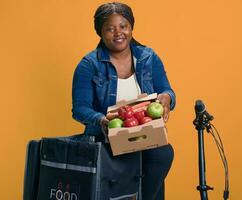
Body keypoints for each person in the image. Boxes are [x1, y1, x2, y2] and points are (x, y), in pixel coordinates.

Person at [72, 2, 176, 200]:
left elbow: (167, 90)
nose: (118, 33)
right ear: (100, 32)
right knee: (145, 161)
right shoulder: (89, 65)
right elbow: (79, 109)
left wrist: (167, 98)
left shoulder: (148, 57)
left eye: (123, 26)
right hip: (107, 140)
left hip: (145, 135)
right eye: (109, 28)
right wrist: (102, 119)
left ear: (131, 27)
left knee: (162, 154)